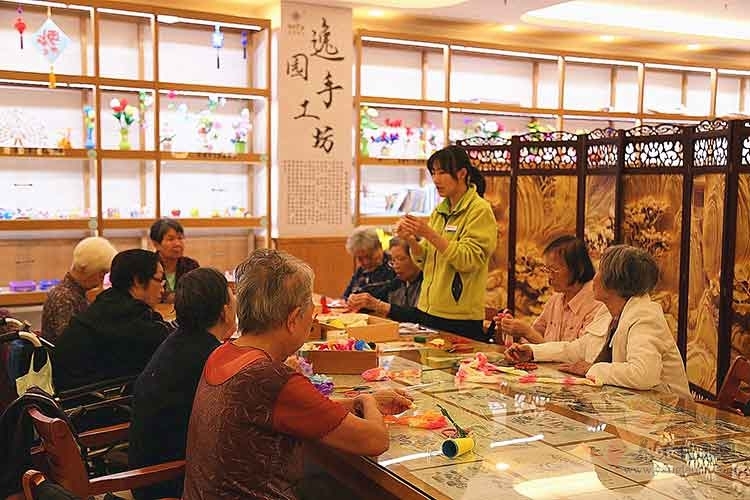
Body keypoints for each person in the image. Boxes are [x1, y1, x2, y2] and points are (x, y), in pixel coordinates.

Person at [183, 249, 412, 499]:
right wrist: (368, 400)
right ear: (293, 319)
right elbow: (375, 440)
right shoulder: (272, 378)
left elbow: (289, 410)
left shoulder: (224, 352)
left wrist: (353, 404)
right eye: (310, 314)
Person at [505, 245, 691, 400]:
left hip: (667, 416)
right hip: (630, 407)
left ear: (614, 282)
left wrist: (592, 369)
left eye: (600, 271)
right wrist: (532, 352)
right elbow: (578, 349)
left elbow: (643, 375)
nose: (594, 277)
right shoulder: (608, 311)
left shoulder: (645, 316)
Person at [129, 268, 237, 500]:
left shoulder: (179, 341)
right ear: (224, 312)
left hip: (149, 476)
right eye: (231, 296)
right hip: (172, 482)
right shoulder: (209, 359)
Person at [394, 145, 498, 341]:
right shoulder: (440, 211)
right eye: (433, 172)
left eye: (442, 172)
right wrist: (410, 238)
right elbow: (424, 261)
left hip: (460, 318)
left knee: (457, 371)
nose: (436, 179)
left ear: (462, 173)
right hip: (428, 310)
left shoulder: (479, 211)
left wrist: (428, 233)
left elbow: (468, 260)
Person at [53, 249, 170, 392]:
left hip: (70, 392)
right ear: (138, 280)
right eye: (159, 280)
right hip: (89, 401)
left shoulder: (108, 301)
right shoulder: (128, 319)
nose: (163, 289)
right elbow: (163, 345)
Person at [499, 236, 603, 344]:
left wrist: (527, 332)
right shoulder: (556, 299)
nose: (550, 277)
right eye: (547, 269)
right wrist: (513, 330)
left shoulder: (596, 303)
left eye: (555, 269)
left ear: (578, 268)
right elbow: (535, 335)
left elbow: (578, 355)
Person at [41, 237, 118, 343]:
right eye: (102, 273)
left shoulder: (74, 293)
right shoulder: (64, 298)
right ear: (85, 269)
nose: (102, 280)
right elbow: (72, 344)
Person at [347, 237, 423, 316]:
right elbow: (378, 293)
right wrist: (358, 299)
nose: (395, 266)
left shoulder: (427, 283)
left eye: (401, 259)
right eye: (393, 260)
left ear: (417, 259)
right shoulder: (398, 282)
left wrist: (379, 305)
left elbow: (421, 316)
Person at [149, 218, 199, 304]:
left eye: (180, 238)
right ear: (156, 244)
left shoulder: (191, 266)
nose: (178, 244)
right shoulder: (149, 266)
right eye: (171, 239)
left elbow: (196, 295)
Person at [342, 226, 396, 301]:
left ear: (379, 247)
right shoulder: (361, 271)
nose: (365, 262)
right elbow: (346, 296)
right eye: (360, 258)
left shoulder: (394, 267)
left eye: (369, 256)